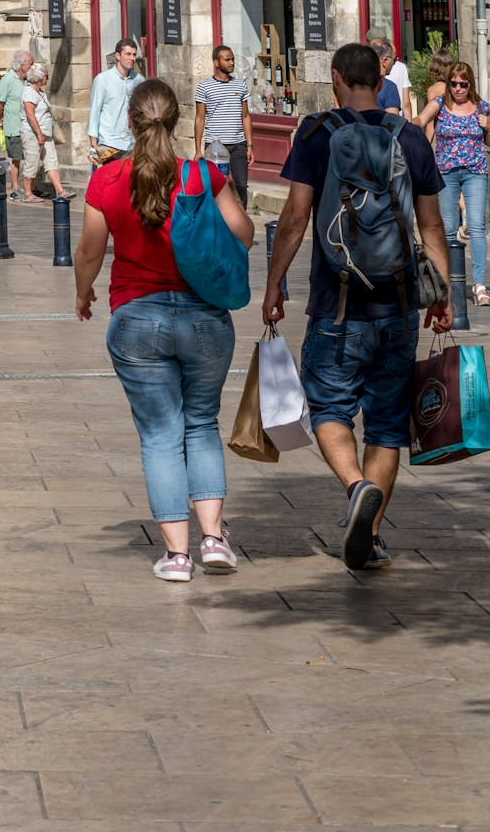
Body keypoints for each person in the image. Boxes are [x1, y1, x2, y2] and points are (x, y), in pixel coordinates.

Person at [263, 40, 451, 572]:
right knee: (389, 426)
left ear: (338, 77)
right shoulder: (411, 138)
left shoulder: (316, 134)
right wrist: (442, 294)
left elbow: (297, 218)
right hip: (398, 305)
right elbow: (431, 225)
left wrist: (275, 283)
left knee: (328, 409)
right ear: (380, 78)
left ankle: (355, 487)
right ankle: (367, 539)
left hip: (335, 305)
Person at [74, 79, 255, 581]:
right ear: (175, 122)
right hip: (204, 319)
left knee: (159, 434)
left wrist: (82, 293)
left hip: (136, 319)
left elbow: (90, 251)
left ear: (130, 122)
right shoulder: (201, 175)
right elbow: (245, 232)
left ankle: (177, 556)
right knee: (201, 425)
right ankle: (214, 541)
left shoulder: (107, 180)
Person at [423, 59, 490, 307]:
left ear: (470, 84)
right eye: (453, 84)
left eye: (463, 84)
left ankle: (479, 285)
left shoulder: (482, 107)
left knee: (476, 226)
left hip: (475, 171)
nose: (458, 89)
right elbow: (420, 121)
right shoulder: (440, 104)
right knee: (448, 226)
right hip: (445, 172)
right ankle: (447, 283)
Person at [193, 45, 253, 203]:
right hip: (215, 147)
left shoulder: (240, 85)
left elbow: (245, 116)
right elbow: (199, 118)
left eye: (232, 59)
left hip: (238, 145)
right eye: (227, 60)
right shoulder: (204, 87)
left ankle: (241, 223)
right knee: (216, 186)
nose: (231, 62)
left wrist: (250, 145)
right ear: (216, 62)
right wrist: (198, 149)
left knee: (241, 186)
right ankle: (218, 222)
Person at [89, 37, 143, 161]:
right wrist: (93, 140)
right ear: (118, 56)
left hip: (132, 143)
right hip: (108, 142)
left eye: (134, 55)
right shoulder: (102, 79)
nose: (132, 58)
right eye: (128, 54)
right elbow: (95, 111)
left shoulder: (139, 80)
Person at [23, 62, 67, 201]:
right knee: (32, 162)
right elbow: (30, 115)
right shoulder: (29, 92)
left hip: (46, 133)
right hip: (33, 134)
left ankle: (60, 190)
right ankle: (28, 193)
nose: (47, 78)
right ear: (39, 77)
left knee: (51, 161)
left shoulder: (40, 92)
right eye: (46, 76)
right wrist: (39, 134)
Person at [0, 49, 33, 198]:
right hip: (14, 126)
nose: (33, 66)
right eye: (31, 63)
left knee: (30, 157)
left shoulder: (27, 79)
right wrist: (3, 116)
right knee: (16, 158)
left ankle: (30, 188)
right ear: (22, 65)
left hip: (27, 125)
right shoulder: (9, 79)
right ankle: (15, 189)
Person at [369, 33, 415, 122]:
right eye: (394, 60)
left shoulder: (355, 81)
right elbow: (393, 124)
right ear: (384, 61)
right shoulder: (389, 86)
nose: (394, 63)